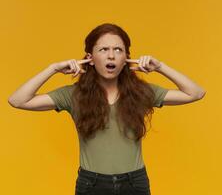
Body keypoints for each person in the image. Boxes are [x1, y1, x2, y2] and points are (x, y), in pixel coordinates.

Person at [8, 23, 206, 195]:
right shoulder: (73, 95)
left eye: (118, 50)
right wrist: (52, 69)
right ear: (90, 57)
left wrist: (160, 66)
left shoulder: (141, 92)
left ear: (127, 58)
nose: (111, 55)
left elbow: (195, 93)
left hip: (134, 184)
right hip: (91, 184)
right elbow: (17, 100)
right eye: (103, 49)